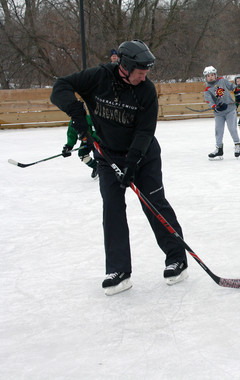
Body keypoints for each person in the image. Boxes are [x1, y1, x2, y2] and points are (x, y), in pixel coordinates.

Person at [50, 39, 189, 296]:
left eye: (147, 71)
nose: (144, 76)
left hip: (143, 156)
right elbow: (61, 86)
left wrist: (133, 161)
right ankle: (118, 269)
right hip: (108, 156)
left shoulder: (146, 90)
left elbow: (146, 130)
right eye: (139, 70)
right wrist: (76, 111)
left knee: (154, 204)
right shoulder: (98, 78)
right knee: (112, 209)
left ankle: (176, 257)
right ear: (124, 66)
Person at [203, 66, 240, 159]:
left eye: (212, 75)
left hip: (230, 109)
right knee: (218, 131)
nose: (210, 77)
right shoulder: (207, 90)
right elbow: (210, 101)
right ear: (205, 77)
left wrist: (238, 93)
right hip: (219, 113)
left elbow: (232, 87)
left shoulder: (222, 81)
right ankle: (219, 149)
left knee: (232, 128)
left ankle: (237, 144)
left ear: (216, 75)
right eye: (208, 76)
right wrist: (216, 107)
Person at [61, 114, 99, 179]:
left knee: (100, 156)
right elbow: (72, 135)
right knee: (82, 154)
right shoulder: (73, 122)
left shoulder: (89, 118)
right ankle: (96, 167)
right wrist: (68, 146)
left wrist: (94, 138)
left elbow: (97, 129)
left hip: (98, 141)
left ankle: (106, 168)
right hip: (86, 141)